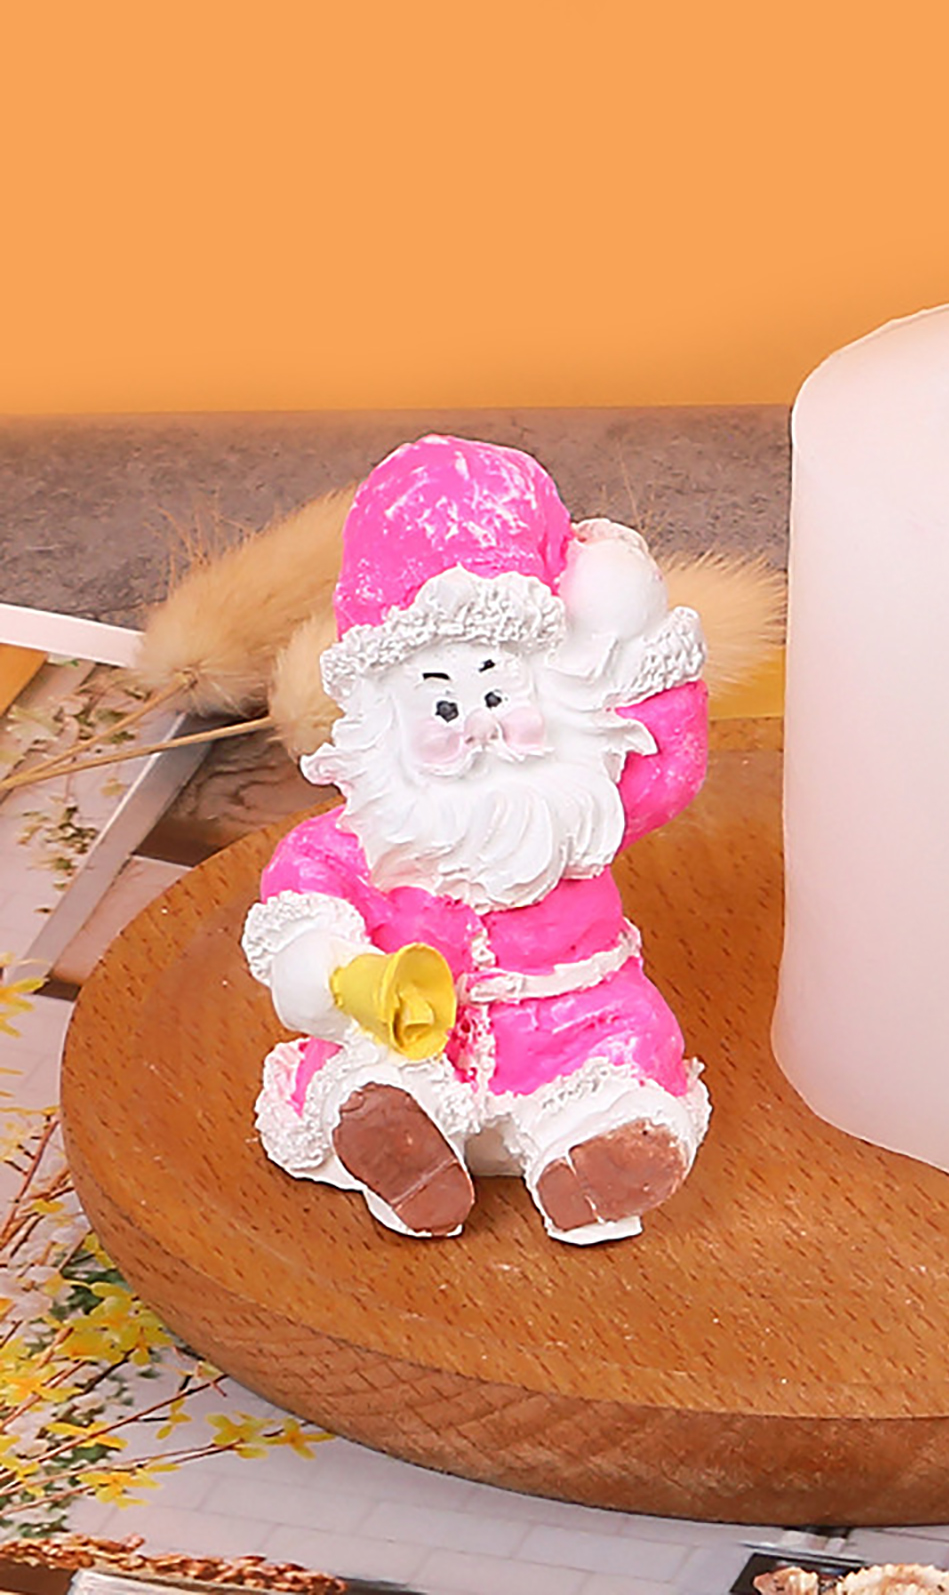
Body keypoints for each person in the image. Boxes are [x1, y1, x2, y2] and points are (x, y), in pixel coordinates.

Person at [242, 435, 710, 1243]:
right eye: (443, 707)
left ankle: (599, 1155)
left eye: (499, 693)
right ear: (384, 720)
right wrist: (319, 959)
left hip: (580, 1019)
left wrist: (629, 625)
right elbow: (307, 892)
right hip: (417, 1029)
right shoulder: (369, 835)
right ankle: (401, 1146)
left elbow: (666, 769)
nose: (479, 728)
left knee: (621, 1070)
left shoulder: (574, 809)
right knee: (376, 1070)